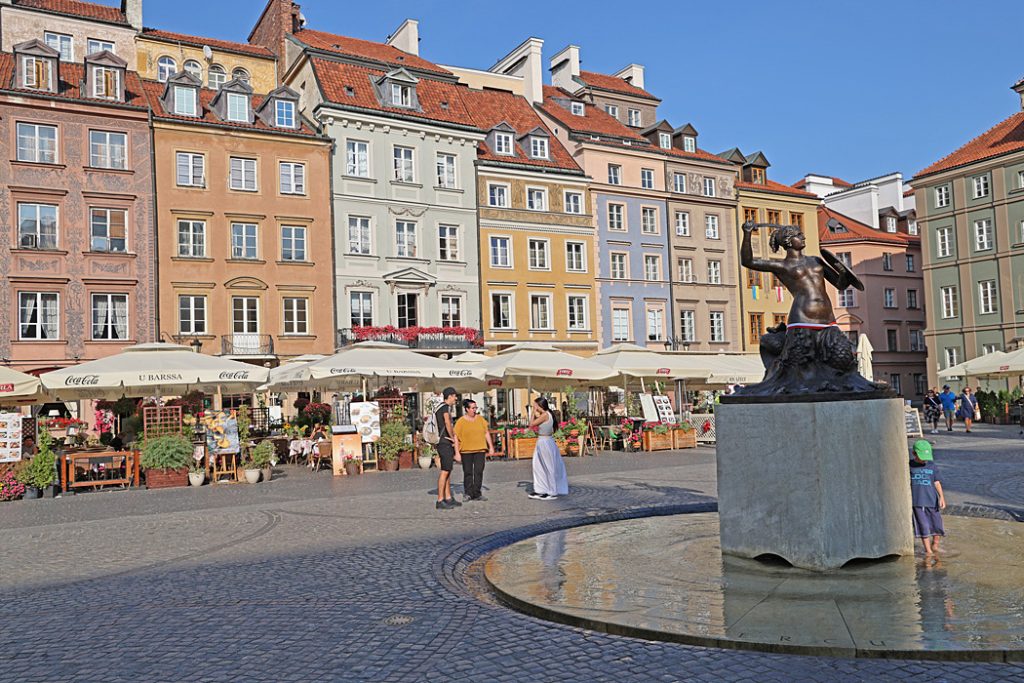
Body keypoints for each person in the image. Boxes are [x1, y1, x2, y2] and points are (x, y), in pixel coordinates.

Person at [453, 399, 494, 502]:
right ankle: (468, 493)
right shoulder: (461, 422)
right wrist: (457, 453)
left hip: (480, 450)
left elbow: (486, 433)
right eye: (472, 408)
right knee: (468, 472)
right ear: (467, 409)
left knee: (479, 471)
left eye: (476, 408)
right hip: (466, 451)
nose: (475, 410)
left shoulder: (480, 419)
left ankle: (477, 493)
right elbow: (456, 437)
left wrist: (491, 447)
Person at [909, 439, 945, 555]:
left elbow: (937, 482)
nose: (924, 459)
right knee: (923, 525)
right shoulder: (909, 465)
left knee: (937, 523)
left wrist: (942, 497)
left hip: (932, 500)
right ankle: (928, 551)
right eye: (921, 457)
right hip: (917, 501)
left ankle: (935, 544)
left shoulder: (932, 466)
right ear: (914, 454)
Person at [528, 397, 569, 500]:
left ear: (539, 405)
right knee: (538, 465)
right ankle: (541, 489)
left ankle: (552, 491)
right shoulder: (545, 414)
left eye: (535, 405)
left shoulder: (545, 415)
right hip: (543, 441)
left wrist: (533, 412)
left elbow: (531, 424)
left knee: (548, 466)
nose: (534, 407)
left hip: (545, 442)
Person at [434, 388, 461, 510]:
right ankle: (440, 500)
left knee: (448, 469)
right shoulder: (444, 408)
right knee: (445, 471)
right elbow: (447, 423)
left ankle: (448, 497)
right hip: (444, 442)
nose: (456, 399)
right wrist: (452, 437)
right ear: (449, 396)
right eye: (454, 396)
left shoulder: (440, 407)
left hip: (443, 441)